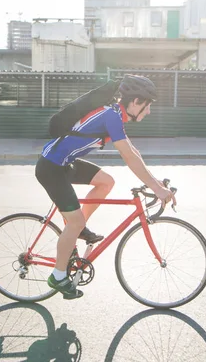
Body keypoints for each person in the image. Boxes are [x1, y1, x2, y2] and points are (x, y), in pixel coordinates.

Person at [34, 74, 177, 300]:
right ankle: (58, 275)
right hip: (51, 168)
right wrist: (157, 189)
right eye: (147, 106)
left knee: (106, 182)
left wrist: (155, 182)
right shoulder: (111, 116)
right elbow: (128, 156)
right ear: (136, 102)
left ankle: (77, 228)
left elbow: (133, 152)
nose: (148, 112)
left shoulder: (115, 115)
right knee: (75, 220)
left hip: (64, 163)